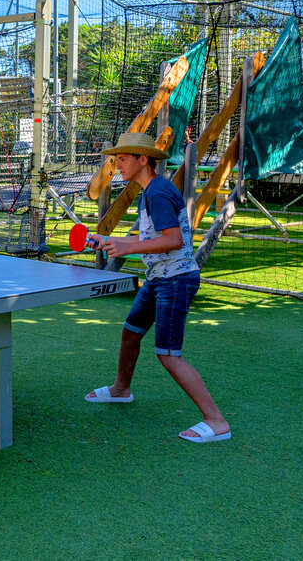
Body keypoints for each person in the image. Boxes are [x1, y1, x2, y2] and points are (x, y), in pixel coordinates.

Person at [84, 130, 231, 444]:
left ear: (142, 159)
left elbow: (173, 240)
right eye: (116, 159)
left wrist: (125, 249)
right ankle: (121, 390)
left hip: (175, 280)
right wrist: (110, 241)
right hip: (159, 279)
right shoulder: (149, 191)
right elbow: (152, 238)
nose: (118, 165)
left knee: (168, 355)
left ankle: (216, 421)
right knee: (131, 332)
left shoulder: (158, 191)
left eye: (122, 159)